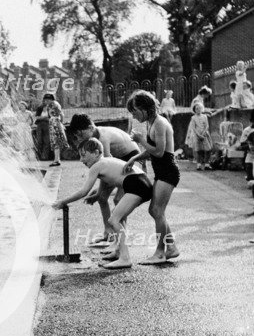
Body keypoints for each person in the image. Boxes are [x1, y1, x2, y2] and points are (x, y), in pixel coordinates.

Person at [52, 138, 152, 269]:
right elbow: (104, 184)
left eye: (84, 155)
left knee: (113, 220)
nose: (81, 160)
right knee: (119, 218)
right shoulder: (105, 162)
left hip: (137, 185)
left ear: (96, 152)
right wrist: (98, 195)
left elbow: (83, 191)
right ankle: (118, 251)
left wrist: (62, 202)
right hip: (143, 182)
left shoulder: (96, 166)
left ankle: (125, 258)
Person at [124, 90, 180, 264]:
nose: (133, 116)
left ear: (145, 108)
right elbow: (152, 152)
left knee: (157, 211)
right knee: (155, 210)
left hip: (168, 171)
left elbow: (159, 151)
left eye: (135, 112)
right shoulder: (152, 122)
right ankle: (171, 248)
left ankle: (160, 252)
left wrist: (140, 140)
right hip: (162, 171)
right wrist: (134, 158)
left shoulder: (160, 123)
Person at [68, 114, 141, 244]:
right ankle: (108, 232)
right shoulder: (94, 137)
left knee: (119, 200)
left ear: (90, 128)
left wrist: (99, 190)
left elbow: (106, 167)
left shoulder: (103, 138)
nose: (79, 138)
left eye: (80, 134)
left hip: (131, 161)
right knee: (102, 198)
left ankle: (122, 236)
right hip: (119, 162)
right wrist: (99, 193)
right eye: (76, 136)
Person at [185, 103, 212, 171]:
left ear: (202, 109)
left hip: (204, 134)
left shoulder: (204, 116)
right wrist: (198, 135)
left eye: (199, 108)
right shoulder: (193, 117)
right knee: (199, 150)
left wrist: (203, 133)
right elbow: (193, 127)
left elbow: (207, 126)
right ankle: (199, 165)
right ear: (194, 110)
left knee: (208, 149)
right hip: (197, 135)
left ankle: (206, 164)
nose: (198, 110)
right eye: (196, 108)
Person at [34, 93, 56, 160]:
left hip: (48, 124)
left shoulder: (52, 108)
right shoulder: (40, 108)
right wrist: (45, 117)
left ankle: (44, 156)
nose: (47, 101)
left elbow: (53, 117)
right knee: (39, 141)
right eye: (46, 100)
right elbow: (37, 117)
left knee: (47, 141)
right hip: (40, 125)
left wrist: (44, 118)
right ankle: (38, 156)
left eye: (49, 100)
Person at [47, 100, 68, 167]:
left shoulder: (52, 114)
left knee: (56, 145)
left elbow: (53, 124)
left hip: (55, 131)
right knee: (57, 145)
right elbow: (61, 120)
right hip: (57, 129)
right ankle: (57, 159)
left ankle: (56, 160)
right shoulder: (59, 114)